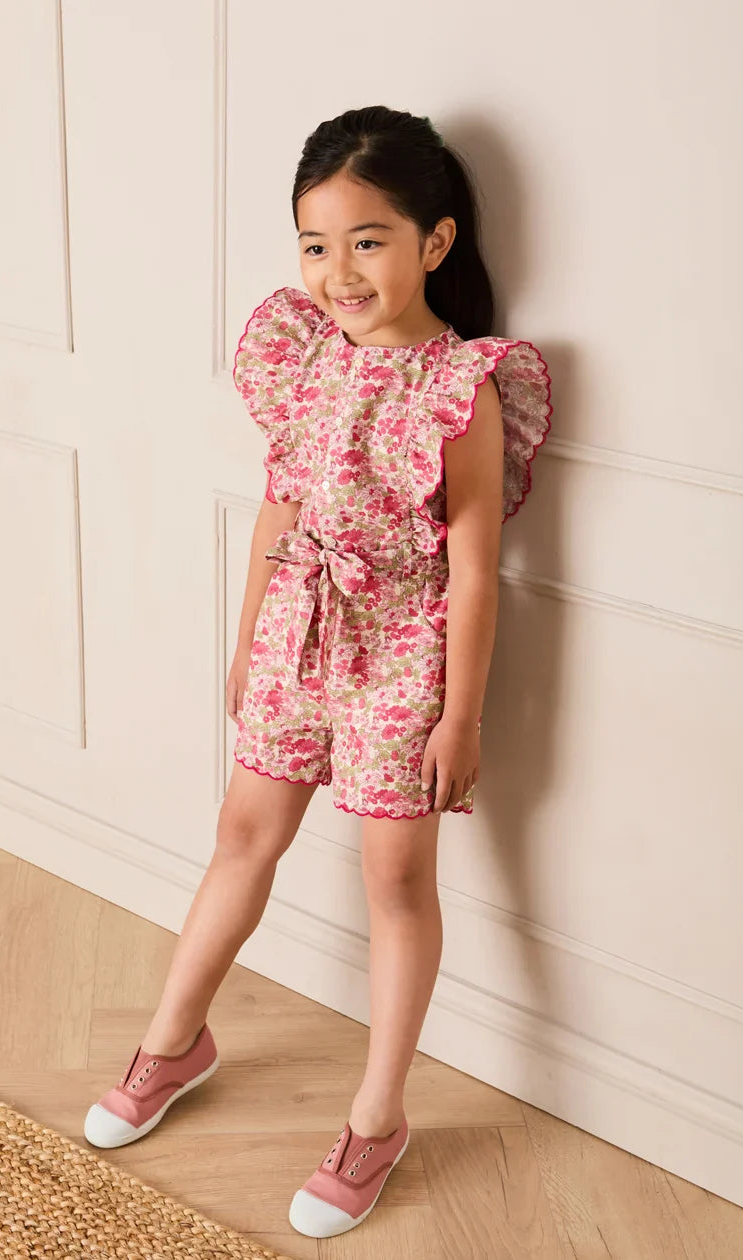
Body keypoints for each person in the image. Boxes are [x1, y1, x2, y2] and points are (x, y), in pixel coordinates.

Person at [83, 105, 552, 1240]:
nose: (339, 273)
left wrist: (459, 717)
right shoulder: (304, 357)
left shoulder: (461, 384)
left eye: (368, 241)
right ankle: (172, 1044)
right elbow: (277, 510)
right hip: (298, 631)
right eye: (316, 245)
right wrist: (250, 641)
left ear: (435, 241)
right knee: (242, 833)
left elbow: (475, 569)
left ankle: (376, 1120)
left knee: (396, 880)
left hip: (404, 653)